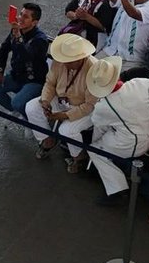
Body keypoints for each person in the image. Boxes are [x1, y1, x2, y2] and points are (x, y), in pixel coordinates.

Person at [88, 44, 149, 206]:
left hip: (131, 144)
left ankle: (117, 189)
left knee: (95, 150)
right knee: (102, 141)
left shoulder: (103, 107)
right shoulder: (138, 84)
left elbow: (98, 125)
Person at [24, 33, 98, 173]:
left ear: (81, 58)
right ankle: (47, 139)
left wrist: (63, 116)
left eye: (69, 61)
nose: (65, 64)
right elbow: (50, 83)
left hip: (84, 108)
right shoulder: (61, 61)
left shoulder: (93, 69)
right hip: (61, 99)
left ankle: (79, 157)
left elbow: (89, 105)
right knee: (32, 107)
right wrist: (45, 101)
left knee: (66, 130)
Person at [0, 3, 51, 114]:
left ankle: (29, 120)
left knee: (18, 103)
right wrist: (0, 72)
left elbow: (27, 57)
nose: (20, 18)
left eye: (25, 17)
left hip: (34, 80)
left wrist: (19, 38)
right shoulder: (16, 31)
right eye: (20, 14)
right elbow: (4, 48)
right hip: (17, 75)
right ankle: (17, 112)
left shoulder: (40, 40)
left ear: (34, 22)